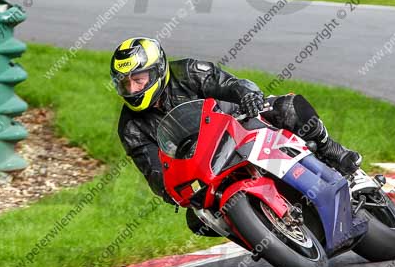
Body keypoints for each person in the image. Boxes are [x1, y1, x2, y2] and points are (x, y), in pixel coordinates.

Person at [111, 37, 376, 236]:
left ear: (157, 71)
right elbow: (154, 171)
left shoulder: (188, 72)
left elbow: (230, 84)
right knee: (199, 221)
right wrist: (173, 190)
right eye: (125, 83)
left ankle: (334, 153)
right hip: (204, 168)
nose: (133, 88)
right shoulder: (130, 127)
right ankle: (264, 232)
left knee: (287, 107)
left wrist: (247, 95)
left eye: (139, 79)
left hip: (237, 127)